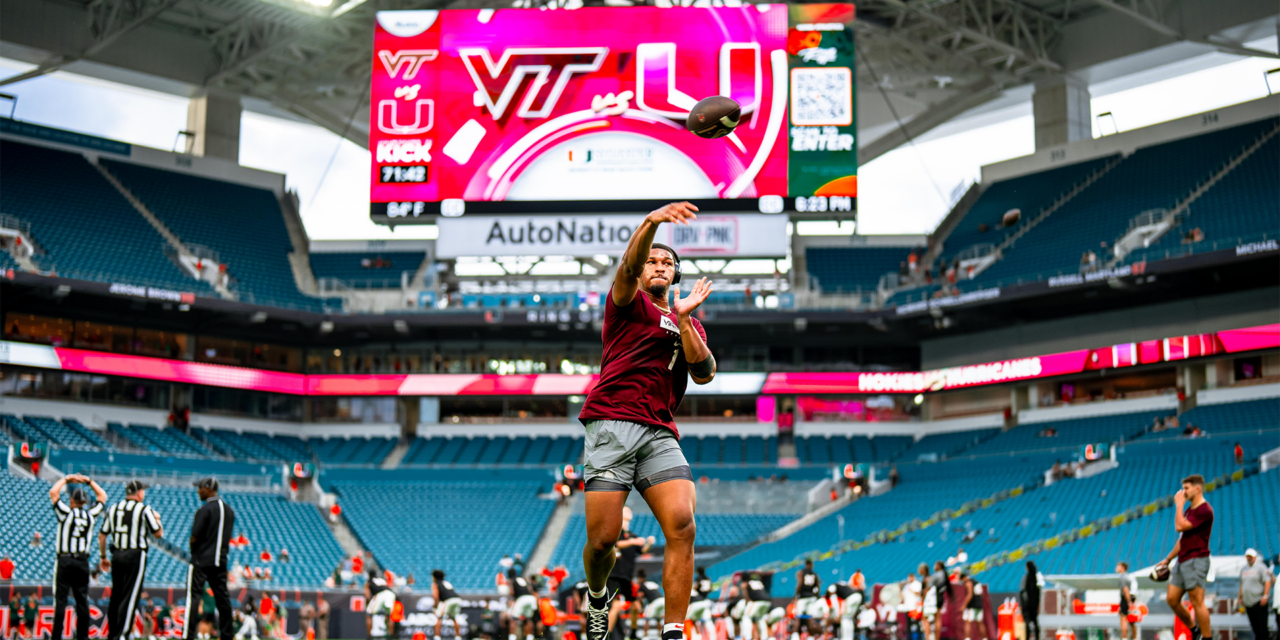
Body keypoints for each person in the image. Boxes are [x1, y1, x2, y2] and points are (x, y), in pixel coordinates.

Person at [577, 202, 715, 640]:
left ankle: (674, 630)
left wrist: (687, 319)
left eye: (668, 262)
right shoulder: (626, 302)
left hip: (660, 432)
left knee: (683, 524)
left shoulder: (687, 319)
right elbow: (628, 262)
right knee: (602, 543)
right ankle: (598, 596)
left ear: (676, 275)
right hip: (612, 423)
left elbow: (704, 372)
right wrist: (653, 221)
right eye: (653, 260)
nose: (659, 265)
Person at [101, 479, 164, 640]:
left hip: (117, 554)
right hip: (135, 554)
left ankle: (113, 633)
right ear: (139, 492)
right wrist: (157, 518)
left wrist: (103, 557)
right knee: (130, 596)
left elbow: (102, 535)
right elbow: (158, 533)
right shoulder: (144, 509)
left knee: (116, 596)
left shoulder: (114, 508)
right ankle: (122, 634)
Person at [49, 474, 108, 640]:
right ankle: (82, 637)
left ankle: (56, 637)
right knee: (82, 602)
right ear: (84, 502)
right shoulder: (90, 516)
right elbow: (102, 496)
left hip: (65, 560)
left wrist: (67, 479)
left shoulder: (66, 513)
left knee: (60, 601)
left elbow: (54, 492)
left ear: (71, 501)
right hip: (82, 562)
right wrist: (89, 481)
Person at [1155, 474, 1214, 640]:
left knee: (1197, 601)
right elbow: (1183, 540)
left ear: (1198, 488)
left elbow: (1179, 526)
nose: (1184, 492)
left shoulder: (1204, 510)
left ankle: (1207, 637)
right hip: (1183, 559)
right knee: (1172, 599)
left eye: (1187, 488)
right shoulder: (1190, 510)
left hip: (1197, 559)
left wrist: (1178, 505)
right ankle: (1194, 630)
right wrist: (1168, 559)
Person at [186, 478, 236, 640]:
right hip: (220, 561)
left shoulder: (205, 510)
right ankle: (228, 636)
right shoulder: (229, 511)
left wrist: (195, 554)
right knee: (223, 600)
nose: (198, 491)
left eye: (200, 488)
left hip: (202, 560)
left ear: (208, 489)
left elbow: (194, 537)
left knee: (194, 598)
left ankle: (189, 636)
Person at [605, 508, 655, 636]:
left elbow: (642, 550)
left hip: (627, 576)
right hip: (614, 576)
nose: (629, 512)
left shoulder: (632, 534)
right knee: (614, 606)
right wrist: (633, 542)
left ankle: (633, 632)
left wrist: (648, 543)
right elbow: (616, 544)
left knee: (636, 605)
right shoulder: (615, 531)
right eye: (626, 510)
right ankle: (607, 635)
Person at [1238, 549, 1272, 640]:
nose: (1249, 558)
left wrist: (1265, 596)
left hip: (1259, 601)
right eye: (1248, 556)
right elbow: (1242, 584)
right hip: (1248, 602)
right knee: (1255, 627)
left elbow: (1267, 582)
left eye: (1251, 556)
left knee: (1262, 628)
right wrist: (1240, 598)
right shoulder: (1243, 569)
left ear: (1255, 557)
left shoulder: (1261, 567)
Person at [794, 559, 823, 639]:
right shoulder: (814, 574)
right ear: (811, 564)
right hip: (812, 597)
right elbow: (817, 586)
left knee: (797, 616)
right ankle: (811, 636)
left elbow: (800, 584)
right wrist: (816, 596)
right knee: (810, 617)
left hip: (803, 596)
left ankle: (795, 636)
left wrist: (796, 596)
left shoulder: (801, 572)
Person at [433, 570, 463, 640]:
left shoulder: (435, 584)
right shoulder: (446, 582)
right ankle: (458, 637)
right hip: (457, 599)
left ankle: (437, 637)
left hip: (447, 600)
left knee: (439, 617)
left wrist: (435, 606)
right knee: (454, 618)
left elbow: (435, 596)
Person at [740, 572, 771, 640]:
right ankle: (764, 637)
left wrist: (747, 604)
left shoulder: (745, 583)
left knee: (746, 617)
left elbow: (746, 596)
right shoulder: (757, 582)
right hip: (767, 601)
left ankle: (747, 637)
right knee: (760, 618)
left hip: (756, 602)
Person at [635, 569, 664, 640]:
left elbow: (639, 597)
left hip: (654, 602)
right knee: (658, 619)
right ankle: (660, 637)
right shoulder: (651, 583)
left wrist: (640, 607)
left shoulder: (642, 585)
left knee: (646, 618)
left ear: (639, 578)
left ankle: (645, 637)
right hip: (662, 600)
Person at [688, 568, 716, 640]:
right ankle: (713, 637)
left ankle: (696, 637)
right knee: (708, 620)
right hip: (705, 601)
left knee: (691, 620)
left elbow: (695, 587)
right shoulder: (707, 578)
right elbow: (710, 588)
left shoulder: (698, 579)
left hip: (696, 602)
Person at [1019, 562, 1042, 640]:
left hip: (1027, 606)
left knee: (1027, 622)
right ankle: (1037, 637)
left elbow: (1023, 592)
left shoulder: (1026, 578)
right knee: (1035, 622)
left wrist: (1023, 604)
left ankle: (1027, 637)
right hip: (1034, 605)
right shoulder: (1037, 578)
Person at [1116, 562, 1136, 640]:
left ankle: (1124, 638)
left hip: (1125, 598)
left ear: (1123, 567)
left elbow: (1125, 590)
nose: (1117, 567)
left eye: (1118, 566)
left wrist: (1128, 602)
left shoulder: (1123, 577)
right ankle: (1135, 637)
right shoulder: (1128, 576)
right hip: (1130, 598)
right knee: (1131, 620)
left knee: (1123, 619)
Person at [962, 573, 984, 640]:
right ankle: (984, 638)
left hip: (972, 606)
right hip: (979, 605)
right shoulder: (977, 583)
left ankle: (967, 638)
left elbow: (970, 595)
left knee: (967, 622)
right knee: (980, 623)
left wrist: (964, 605)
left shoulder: (969, 583)